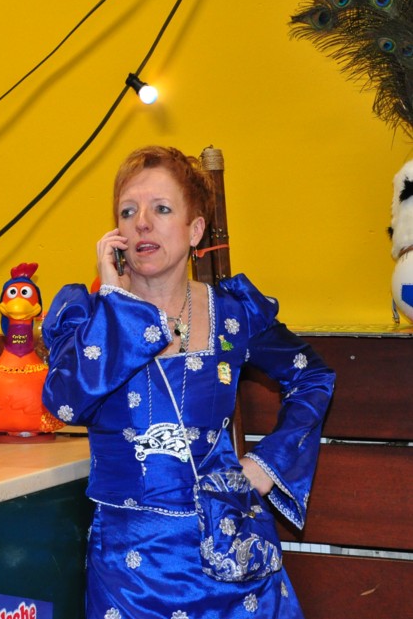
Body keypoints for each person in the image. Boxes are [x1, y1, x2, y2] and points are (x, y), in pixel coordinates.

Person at [41, 146, 335, 619]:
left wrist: (267, 464)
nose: (142, 224)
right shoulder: (86, 316)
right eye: (128, 212)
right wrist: (115, 304)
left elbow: (312, 375)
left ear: (194, 230)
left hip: (232, 556)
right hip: (130, 574)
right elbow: (65, 405)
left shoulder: (233, 313)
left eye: (161, 209)